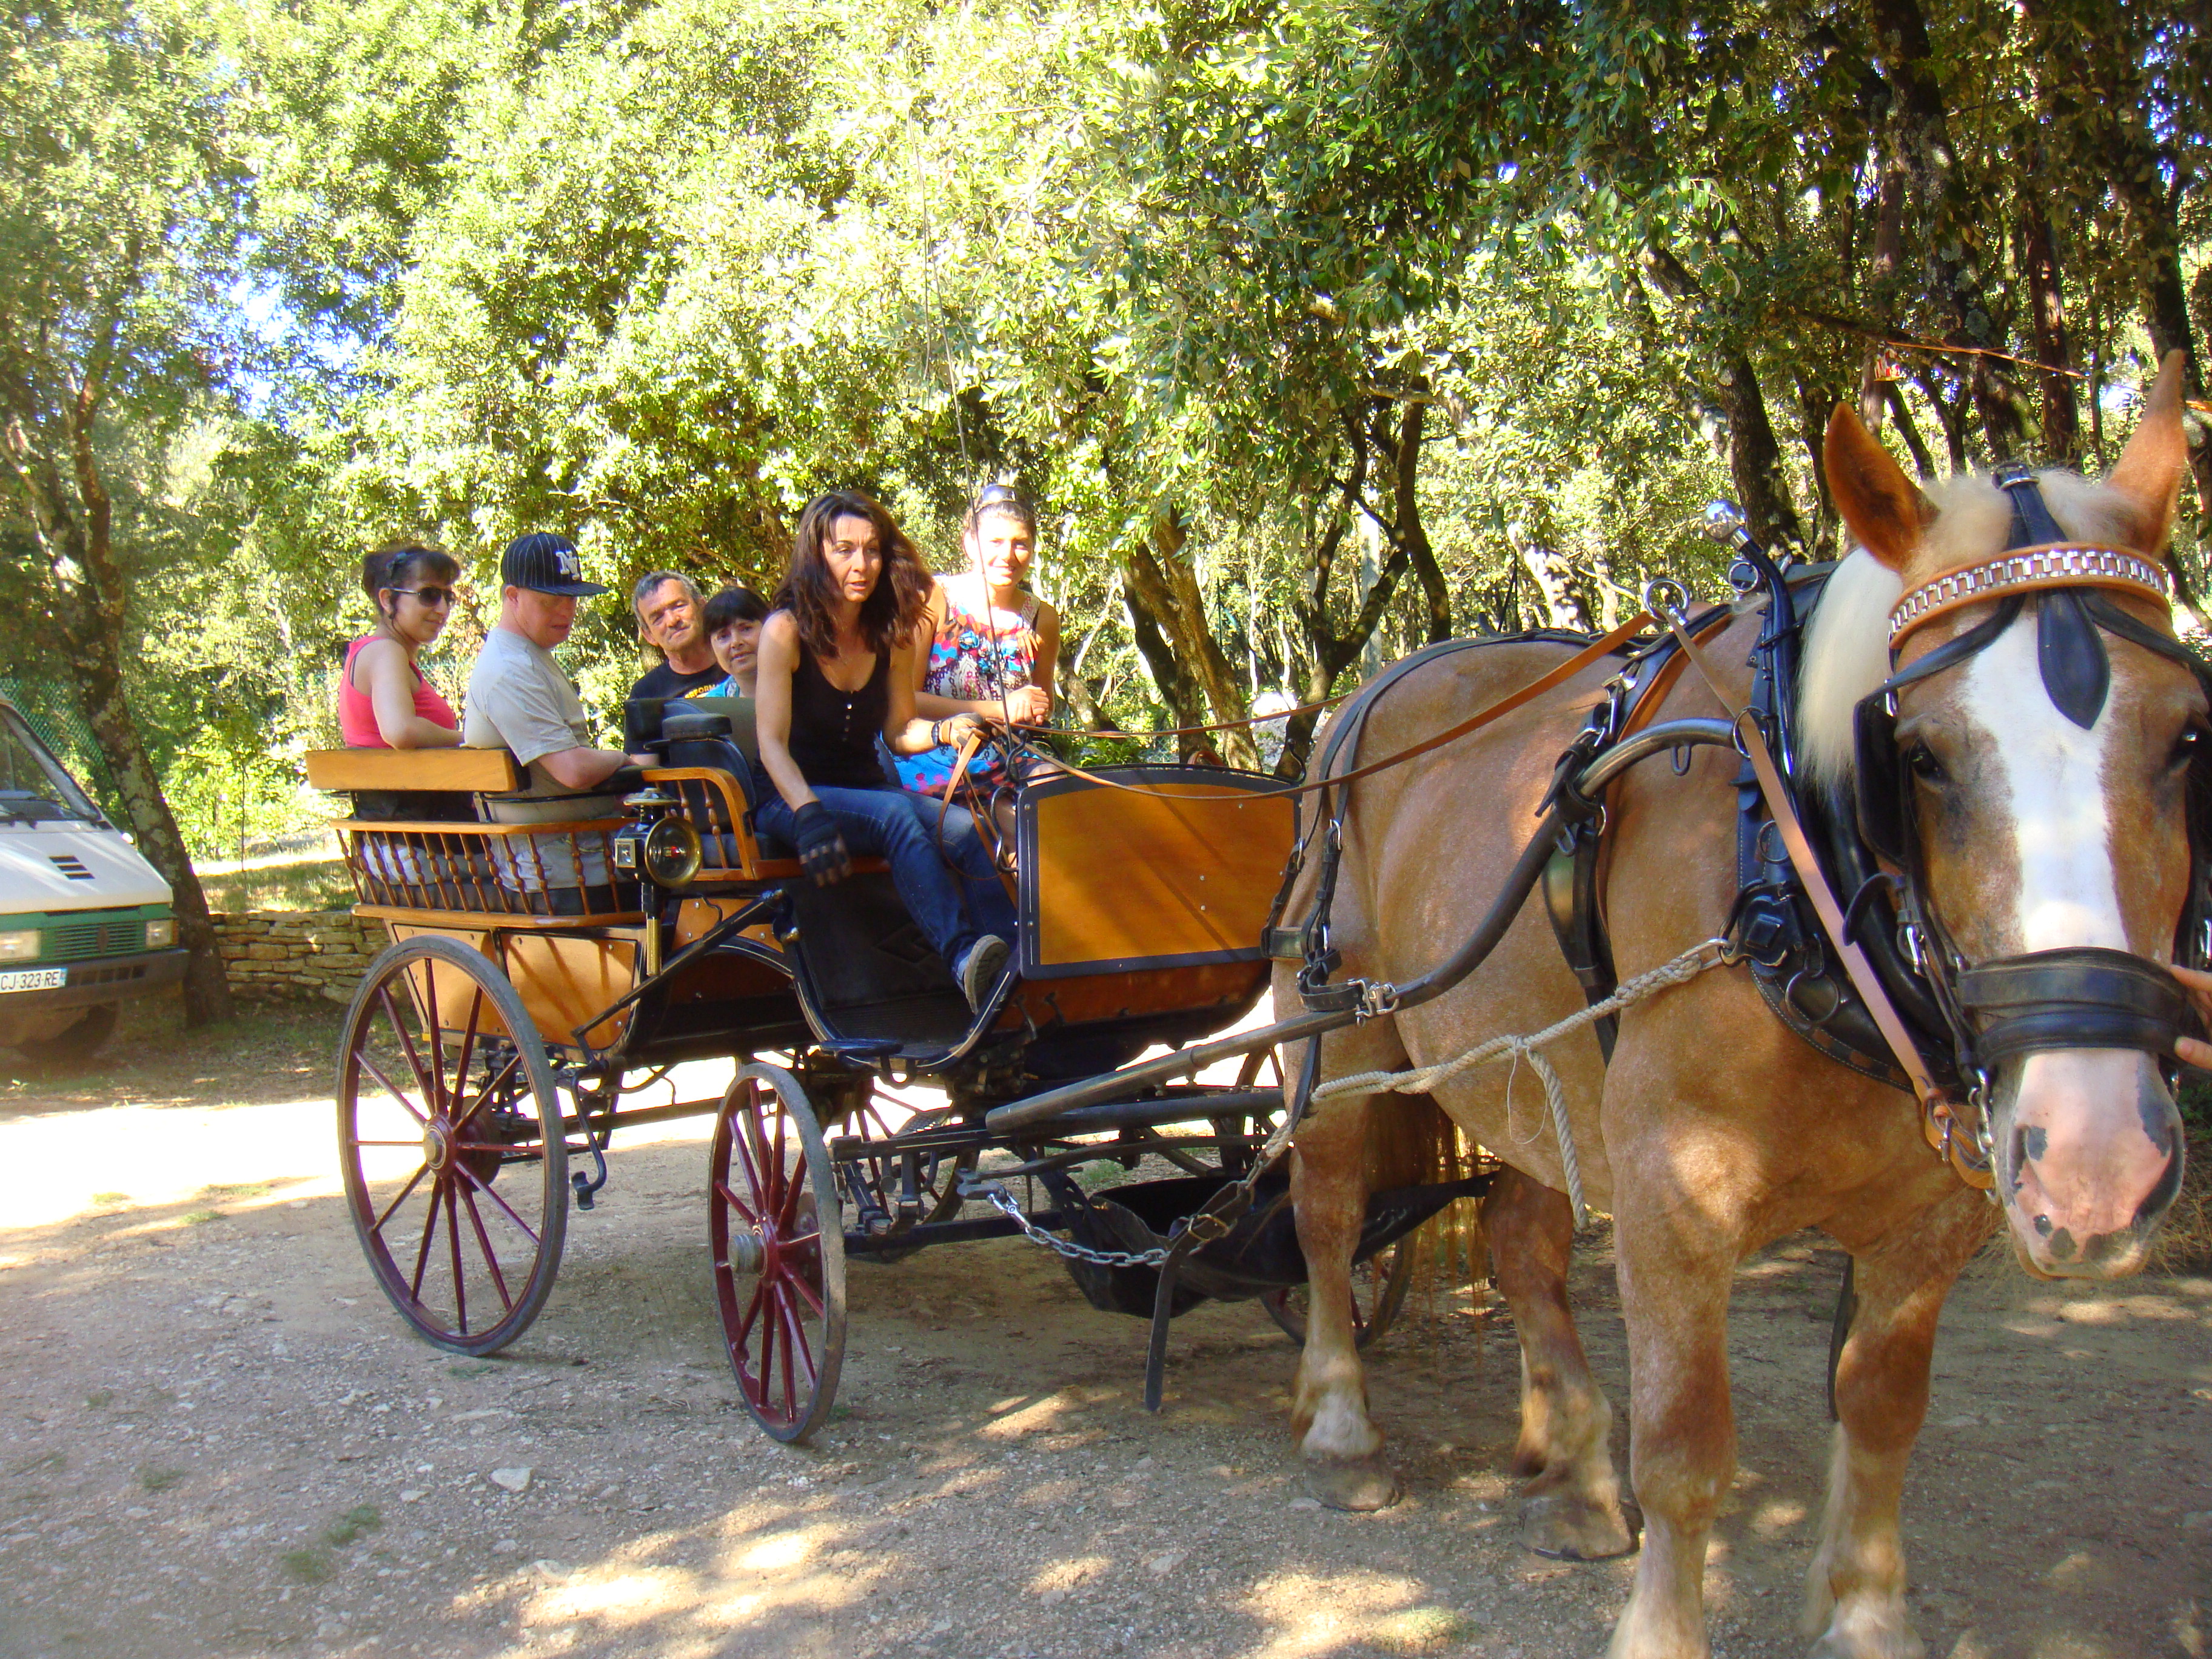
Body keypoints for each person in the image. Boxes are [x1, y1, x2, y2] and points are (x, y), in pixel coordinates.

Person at [754, 490, 1017, 1011]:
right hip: (791, 796)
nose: (862, 564)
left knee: (967, 828)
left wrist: (946, 732)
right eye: (844, 550)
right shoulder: (785, 631)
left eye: (872, 550)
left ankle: (1012, 965)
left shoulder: (888, 632)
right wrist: (807, 813)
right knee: (895, 812)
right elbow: (769, 745)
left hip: (864, 788)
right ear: (816, 556)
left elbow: (899, 732)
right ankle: (965, 960)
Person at [463, 532, 637, 909]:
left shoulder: (527, 655)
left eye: (572, 599)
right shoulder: (510, 670)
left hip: (580, 846)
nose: (566, 612)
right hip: (563, 864)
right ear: (513, 596)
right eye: (550, 600)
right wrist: (623, 759)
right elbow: (572, 770)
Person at [895, 484, 1061, 794]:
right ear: (971, 544)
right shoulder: (933, 598)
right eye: (995, 542)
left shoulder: (1043, 618)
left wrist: (1035, 708)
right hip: (933, 754)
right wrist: (1002, 708)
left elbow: (1043, 707)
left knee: (1054, 795)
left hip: (1008, 759)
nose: (1008, 556)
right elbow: (908, 700)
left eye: (1020, 544)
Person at [338, 541, 463, 749]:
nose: (442, 609)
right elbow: (400, 730)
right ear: (388, 600)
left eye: (447, 598)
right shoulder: (385, 651)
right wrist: (471, 740)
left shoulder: (380, 653)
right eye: (429, 595)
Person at [623, 571, 723, 749]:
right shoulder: (646, 694)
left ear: (702, 606)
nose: (672, 620)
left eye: (678, 606)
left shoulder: (740, 660)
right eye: (657, 617)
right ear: (648, 635)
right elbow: (644, 768)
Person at [700, 584, 770, 698]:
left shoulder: (805, 684)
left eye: (746, 629)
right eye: (723, 636)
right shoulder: (711, 708)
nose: (736, 642)